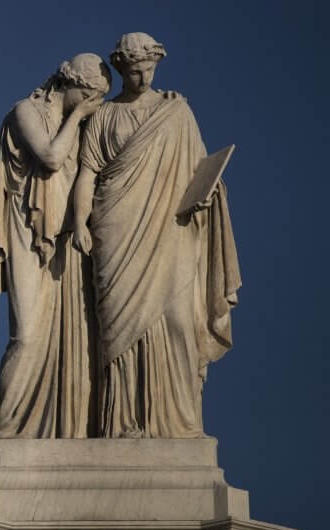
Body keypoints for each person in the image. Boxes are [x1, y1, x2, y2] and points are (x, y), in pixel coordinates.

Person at [71, 33, 241, 438]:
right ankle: (123, 422)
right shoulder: (104, 117)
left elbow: (200, 170)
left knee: (179, 322)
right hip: (115, 228)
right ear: (120, 70)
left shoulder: (177, 112)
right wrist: (79, 221)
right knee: (118, 332)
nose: (142, 77)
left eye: (148, 69)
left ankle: (179, 424)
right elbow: (86, 174)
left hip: (171, 229)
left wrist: (208, 195)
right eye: (133, 71)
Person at [0, 54, 111, 438]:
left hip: (65, 240)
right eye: (89, 96)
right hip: (27, 233)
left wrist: (161, 103)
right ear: (69, 83)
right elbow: (51, 158)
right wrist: (76, 116)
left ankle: (62, 427)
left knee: (72, 339)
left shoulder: (82, 125)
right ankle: (9, 431)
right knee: (26, 335)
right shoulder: (27, 112)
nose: (93, 106)